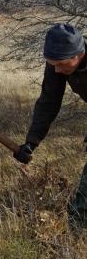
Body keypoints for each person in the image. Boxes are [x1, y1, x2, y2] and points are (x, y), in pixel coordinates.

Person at [14, 23, 87, 232]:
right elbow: (49, 101)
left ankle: (77, 231)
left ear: (78, 55)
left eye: (60, 64)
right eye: (52, 64)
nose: (56, 69)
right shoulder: (58, 62)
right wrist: (31, 142)